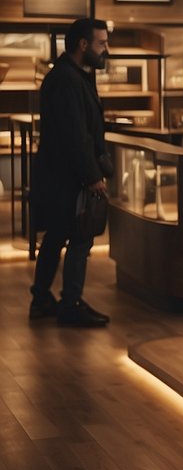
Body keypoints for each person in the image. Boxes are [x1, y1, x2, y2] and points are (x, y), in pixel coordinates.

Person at [29, 18, 112, 327]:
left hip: (59, 175)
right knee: (80, 239)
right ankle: (70, 304)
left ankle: (41, 298)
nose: (106, 49)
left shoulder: (70, 75)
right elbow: (75, 135)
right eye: (102, 43)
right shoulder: (67, 79)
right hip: (67, 178)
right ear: (83, 45)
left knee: (56, 237)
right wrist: (92, 176)